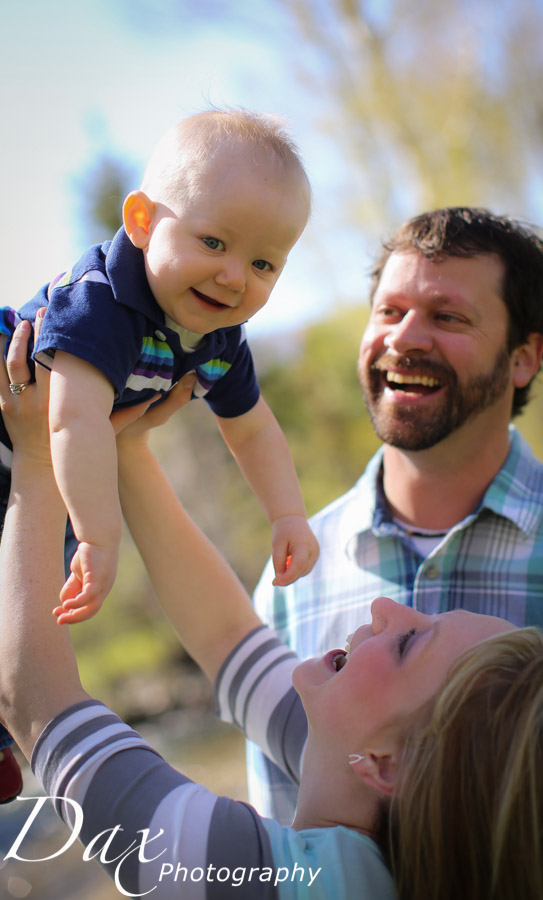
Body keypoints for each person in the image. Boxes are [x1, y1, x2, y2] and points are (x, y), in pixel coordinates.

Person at [0, 317, 543, 900]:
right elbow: (228, 638)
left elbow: (31, 698)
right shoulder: (374, 782)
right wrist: (125, 447)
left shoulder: (275, 881)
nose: (390, 608)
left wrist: (38, 458)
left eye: (409, 641)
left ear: (390, 767)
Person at [0, 109, 319, 800]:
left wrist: (287, 514)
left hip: (40, 462)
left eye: (264, 263)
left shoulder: (218, 338)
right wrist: (101, 535)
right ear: (142, 222)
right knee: (50, 557)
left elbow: (254, 428)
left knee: (30, 578)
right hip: (24, 419)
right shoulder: (102, 302)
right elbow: (71, 423)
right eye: (214, 241)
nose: (235, 276)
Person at [249, 205, 543, 823]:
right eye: (388, 311)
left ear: (524, 357)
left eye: (447, 316)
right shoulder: (290, 579)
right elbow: (282, 830)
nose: (404, 337)